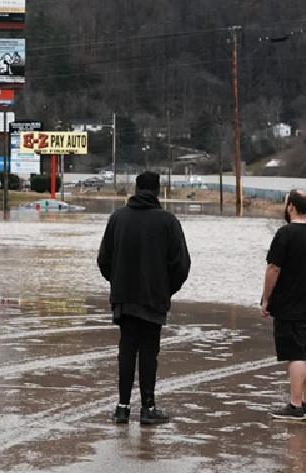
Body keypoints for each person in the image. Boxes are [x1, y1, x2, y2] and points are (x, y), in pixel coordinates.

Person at [97, 171, 190, 425]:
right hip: (154, 297)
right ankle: (148, 408)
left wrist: (117, 281)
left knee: (126, 348)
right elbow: (181, 264)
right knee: (149, 351)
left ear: (136, 189)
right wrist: (166, 288)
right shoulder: (168, 221)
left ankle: (122, 407)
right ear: (157, 190)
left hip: (124, 297)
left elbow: (103, 259)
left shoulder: (118, 218)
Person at [261, 189, 306, 422]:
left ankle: (294, 406)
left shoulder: (285, 234)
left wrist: (265, 298)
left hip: (289, 303)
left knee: (296, 355)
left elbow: (273, 268)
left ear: (290, 206)